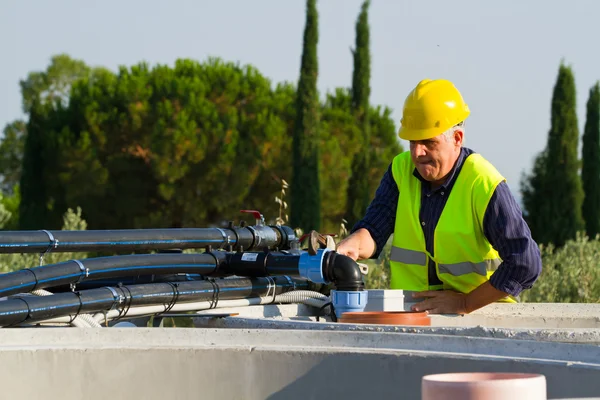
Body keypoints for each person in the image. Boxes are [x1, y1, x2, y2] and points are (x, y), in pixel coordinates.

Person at [336, 78, 542, 315]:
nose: (417, 152)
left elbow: (526, 263)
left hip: (482, 321)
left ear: (457, 139)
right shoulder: (400, 170)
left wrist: (465, 303)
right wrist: (353, 245)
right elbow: (374, 230)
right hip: (411, 320)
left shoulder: (482, 182)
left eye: (428, 142)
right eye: (412, 142)